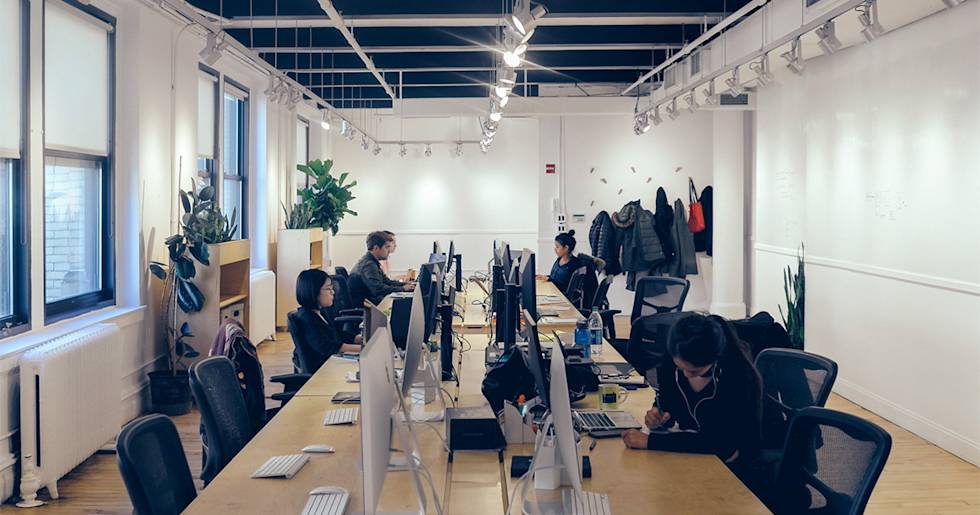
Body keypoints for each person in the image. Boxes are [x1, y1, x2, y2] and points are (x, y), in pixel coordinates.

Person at [622, 313, 763, 485]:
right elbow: (669, 401)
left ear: (715, 358)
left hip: (734, 469)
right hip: (694, 456)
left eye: (695, 371)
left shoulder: (737, 377)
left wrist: (650, 442)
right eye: (680, 368)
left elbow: (720, 444)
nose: (686, 375)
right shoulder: (673, 358)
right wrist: (659, 414)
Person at [291, 269, 362, 372]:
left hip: (331, 361)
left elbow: (336, 334)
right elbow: (327, 347)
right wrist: (363, 349)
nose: (333, 292)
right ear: (314, 291)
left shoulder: (321, 312)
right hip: (323, 369)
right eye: (328, 289)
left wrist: (358, 339)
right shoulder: (307, 318)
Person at [350, 230, 415, 306]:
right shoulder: (369, 265)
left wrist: (406, 284)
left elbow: (387, 281)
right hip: (366, 306)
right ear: (376, 248)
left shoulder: (372, 262)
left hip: (370, 302)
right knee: (404, 305)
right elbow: (378, 289)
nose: (389, 251)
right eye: (387, 247)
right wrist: (403, 288)